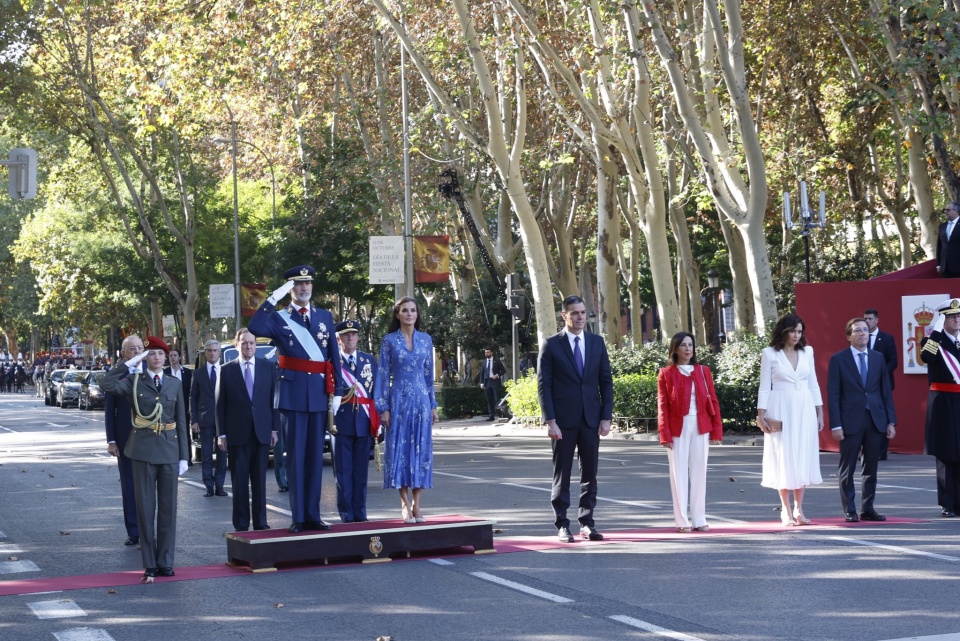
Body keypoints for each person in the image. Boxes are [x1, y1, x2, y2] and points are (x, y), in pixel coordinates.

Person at [249, 265, 343, 533]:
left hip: (317, 395)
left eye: (308, 283)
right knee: (296, 458)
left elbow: (332, 357)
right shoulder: (279, 318)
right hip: (291, 395)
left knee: (315, 458)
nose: (304, 288)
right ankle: (299, 516)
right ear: (290, 289)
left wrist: (336, 393)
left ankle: (314, 514)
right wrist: (272, 298)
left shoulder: (325, 316)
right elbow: (254, 327)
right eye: (298, 284)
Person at [100, 336, 188, 582]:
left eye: (161, 353)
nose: (157, 357)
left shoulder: (174, 383)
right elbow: (105, 383)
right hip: (142, 452)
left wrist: (184, 455)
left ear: (167, 357)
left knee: (169, 510)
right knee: (146, 509)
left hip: (170, 451)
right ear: (144, 358)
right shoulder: (133, 381)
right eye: (151, 354)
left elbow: (181, 419)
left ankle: (165, 561)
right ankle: (150, 564)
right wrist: (128, 364)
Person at [537, 295, 614, 543]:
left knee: (590, 473)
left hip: (591, 419)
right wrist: (550, 421)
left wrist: (606, 417)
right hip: (562, 420)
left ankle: (587, 522)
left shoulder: (596, 343)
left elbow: (606, 382)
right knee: (563, 473)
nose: (580, 317)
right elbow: (544, 386)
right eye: (575, 313)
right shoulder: (551, 345)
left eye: (583, 312)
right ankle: (562, 524)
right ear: (564, 316)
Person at [374, 297, 438, 524]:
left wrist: (433, 405)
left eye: (413, 310)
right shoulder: (389, 341)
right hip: (398, 402)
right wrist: (383, 407)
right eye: (405, 310)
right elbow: (382, 374)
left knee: (420, 452)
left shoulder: (426, 340)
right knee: (399, 452)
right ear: (397, 314)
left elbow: (430, 376)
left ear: (417, 314)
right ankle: (403, 503)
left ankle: (417, 505)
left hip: (421, 402)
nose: (410, 314)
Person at [757, 313, 824, 526]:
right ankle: (785, 509)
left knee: (802, 455)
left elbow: (813, 383)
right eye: (793, 331)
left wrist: (820, 411)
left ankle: (799, 509)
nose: (796, 335)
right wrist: (761, 416)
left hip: (804, 407)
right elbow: (764, 386)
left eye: (799, 331)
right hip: (780, 406)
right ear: (784, 331)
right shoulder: (769, 354)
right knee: (783, 456)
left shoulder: (808, 352)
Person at [827, 318, 897, 522]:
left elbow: (885, 391)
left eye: (865, 330)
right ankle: (850, 508)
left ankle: (868, 508)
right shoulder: (838, 359)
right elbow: (833, 394)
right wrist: (836, 424)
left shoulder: (877, 358)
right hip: (849, 421)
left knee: (871, 467)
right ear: (849, 335)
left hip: (875, 420)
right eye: (857, 330)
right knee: (847, 467)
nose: (862, 333)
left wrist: (890, 421)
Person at [657, 332, 723, 532]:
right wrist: (664, 433)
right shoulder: (666, 373)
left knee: (699, 471)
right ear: (675, 349)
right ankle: (682, 520)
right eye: (683, 345)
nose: (688, 349)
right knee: (678, 473)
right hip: (678, 427)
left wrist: (717, 430)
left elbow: (713, 400)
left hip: (701, 425)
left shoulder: (703, 371)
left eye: (690, 345)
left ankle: (699, 519)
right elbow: (663, 406)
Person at [216, 329, 279, 531]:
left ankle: (261, 523)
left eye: (252, 343)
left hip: (261, 432)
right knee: (240, 482)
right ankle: (241, 524)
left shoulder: (268, 368)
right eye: (244, 343)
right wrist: (221, 434)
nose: (248, 347)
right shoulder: (226, 370)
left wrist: (274, 429)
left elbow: (273, 402)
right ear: (237, 346)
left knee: (259, 481)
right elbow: (220, 404)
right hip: (237, 434)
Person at [334, 319, 378, 523]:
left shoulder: (369, 360)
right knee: (343, 472)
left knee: (361, 472)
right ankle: (346, 513)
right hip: (341, 423)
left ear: (358, 337)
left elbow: (375, 392)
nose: (350, 337)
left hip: (364, 421)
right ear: (339, 338)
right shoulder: (333, 361)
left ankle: (360, 512)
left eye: (353, 334)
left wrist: (378, 420)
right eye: (346, 335)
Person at [919, 298, 960, 518]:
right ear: (942, 319)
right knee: (945, 453)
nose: (956, 319)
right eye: (950, 316)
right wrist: (935, 333)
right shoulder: (931, 340)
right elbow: (926, 357)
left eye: (958, 316)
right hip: (942, 401)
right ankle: (948, 503)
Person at [104, 335, 143, 547]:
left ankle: (148, 528)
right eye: (132, 349)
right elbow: (110, 411)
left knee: (148, 486)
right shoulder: (117, 376)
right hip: (125, 438)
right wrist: (111, 440)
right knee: (129, 484)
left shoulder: (151, 372)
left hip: (149, 439)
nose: (137, 352)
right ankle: (134, 530)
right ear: (124, 353)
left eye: (139, 348)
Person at [190, 340, 227, 497]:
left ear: (219, 353)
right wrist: (194, 420)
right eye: (209, 350)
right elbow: (193, 397)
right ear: (205, 353)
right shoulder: (198, 374)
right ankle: (208, 486)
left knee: (222, 455)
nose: (212, 353)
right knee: (206, 455)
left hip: (223, 420)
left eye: (215, 350)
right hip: (204, 419)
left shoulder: (227, 371)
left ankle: (220, 485)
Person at [863, 308, 898, 460]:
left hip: (882, 384)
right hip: (864, 385)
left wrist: (880, 375)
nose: (867, 321)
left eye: (870, 319)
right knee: (864, 415)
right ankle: (864, 449)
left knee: (881, 417)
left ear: (877, 320)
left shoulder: (886, 338)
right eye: (865, 319)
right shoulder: (859, 338)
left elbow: (893, 361)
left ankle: (881, 452)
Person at [480, 348, 506, 421]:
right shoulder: (484, 362)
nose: (486, 354)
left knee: (497, 399)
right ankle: (491, 416)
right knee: (489, 399)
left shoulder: (497, 361)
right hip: (487, 382)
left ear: (492, 353)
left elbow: (503, 370)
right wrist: (482, 383)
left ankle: (501, 415)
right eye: (485, 352)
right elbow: (482, 373)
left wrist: (497, 375)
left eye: (488, 352)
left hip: (495, 382)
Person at [936, 201, 960, 277]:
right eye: (945, 210)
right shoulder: (942, 226)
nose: (945, 212)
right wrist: (938, 264)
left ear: (955, 211)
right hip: (945, 267)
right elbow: (939, 246)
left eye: (948, 210)